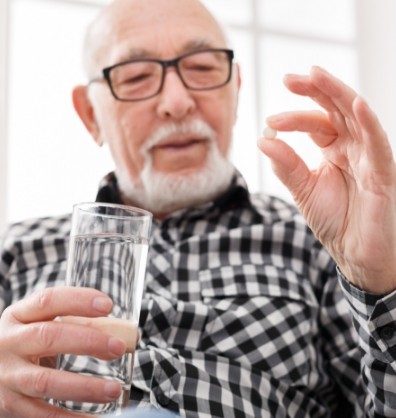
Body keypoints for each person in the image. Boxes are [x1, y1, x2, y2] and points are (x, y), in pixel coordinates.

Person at [0, 0, 396, 417]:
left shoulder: (318, 241)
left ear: (236, 90)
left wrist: (380, 279)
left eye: (204, 69)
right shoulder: (16, 252)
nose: (177, 101)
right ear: (90, 115)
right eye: (136, 77)